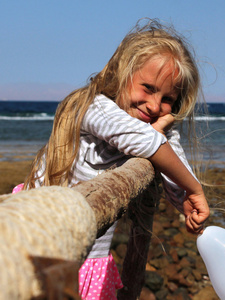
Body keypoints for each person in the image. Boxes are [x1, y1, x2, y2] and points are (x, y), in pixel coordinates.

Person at [19, 19, 210, 299]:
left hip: (91, 258)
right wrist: (195, 189)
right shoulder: (92, 106)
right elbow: (148, 143)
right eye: (148, 87)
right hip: (44, 250)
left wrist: (185, 195)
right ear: (123, 72)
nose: (156, 105)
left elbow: (173, 170)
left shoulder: (148, 125)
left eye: (169, 99)